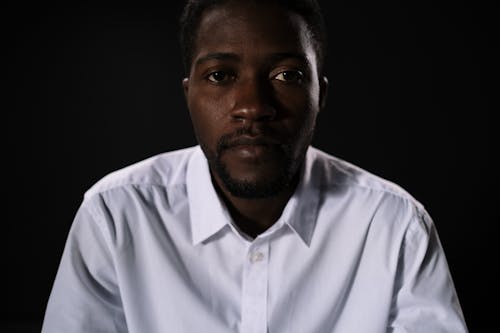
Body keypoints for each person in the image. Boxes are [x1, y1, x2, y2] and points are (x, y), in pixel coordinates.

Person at [42, 0, 468, 332]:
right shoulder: (115, 216)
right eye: (220, 75)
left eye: (287, 76)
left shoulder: (394, 226)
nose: (252, 106)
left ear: (321, 95)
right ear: (188, 93)